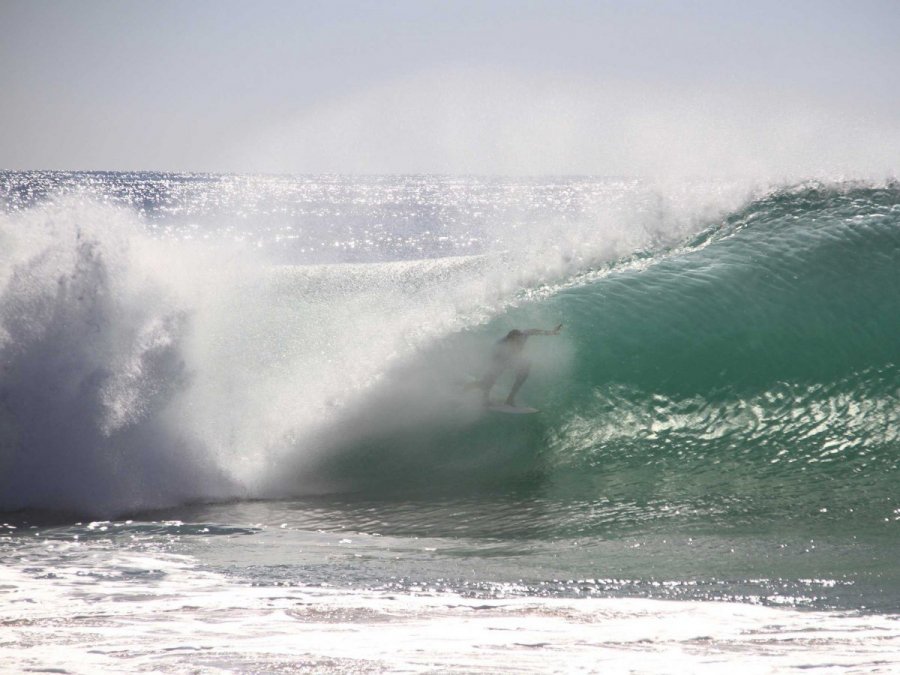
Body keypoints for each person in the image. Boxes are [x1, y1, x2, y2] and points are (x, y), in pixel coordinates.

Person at [476, 324, 562, 406]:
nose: (516, 342)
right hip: (500, 359)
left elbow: (533, 331)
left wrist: (551, 332)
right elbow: (493, 360)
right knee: (494, 374)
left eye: (517, 340)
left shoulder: (523, 335)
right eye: (513, 341)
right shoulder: (501, 344)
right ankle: (484, 398)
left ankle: (510, 399)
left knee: (525, 368)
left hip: (512, 359)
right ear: (509, 339)